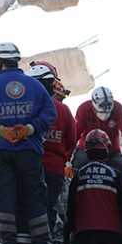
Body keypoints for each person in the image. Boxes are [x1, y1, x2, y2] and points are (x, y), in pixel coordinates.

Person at [0, 42, 57, 244]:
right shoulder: (35, 86)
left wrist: (1, 130)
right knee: (34, 196)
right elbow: (49, 113)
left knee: (5, 196)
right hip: (29, 150)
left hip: (1, 152)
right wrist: (29, 129)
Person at [26, 62, 76, 232]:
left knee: (28, 207)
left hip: (31, 168)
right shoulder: (63, 111)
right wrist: (64, 159)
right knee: (48, 207)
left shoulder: (25, 109)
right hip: (54, 170)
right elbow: (71, 140)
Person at [71, 86, 122, 180]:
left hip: (112, 153)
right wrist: (67, 157)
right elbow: (75, 134)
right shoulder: (84, 109)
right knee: (78, 164)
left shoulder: (118, 108)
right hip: (86, 151)